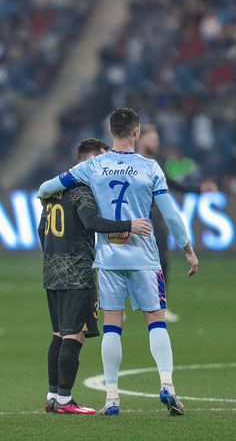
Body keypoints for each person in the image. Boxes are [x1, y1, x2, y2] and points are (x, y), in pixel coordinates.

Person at [38, 108, 199, 417]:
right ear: (136, 133)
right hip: (144, 258)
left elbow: (47, 188)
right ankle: (167, 386)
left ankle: (111, 398)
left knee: (113, 326)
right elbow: (171, 215)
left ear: (111, 132)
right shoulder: (150, 167)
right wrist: (188, 249)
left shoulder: (93, 166)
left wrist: (51, 196)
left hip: (109, 259)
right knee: (156, 320)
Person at [38, 137, 151, 416]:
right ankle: (65, 400)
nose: (106, 165)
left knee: (57, 334)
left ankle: (53, 395)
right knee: (73, 335)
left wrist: (56, 254)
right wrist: (129, 225)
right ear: (91, 161)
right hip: (77, 274)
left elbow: (43, 230)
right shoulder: (83, 190)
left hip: (51, 270)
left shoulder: (53, 192)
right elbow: (90, 222)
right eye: (102, 160)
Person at [137, 124, 217, 322]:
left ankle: (158, 306)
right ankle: (129, 307)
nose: (156, 143)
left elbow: (173, 184)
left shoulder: (155, 163)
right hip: (137, 221)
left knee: (160, 262)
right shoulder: (134, 163)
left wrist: (199, 189)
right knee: (133, 263)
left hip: (152, 220)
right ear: (140, 139)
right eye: (152, 139)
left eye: (157, 139)